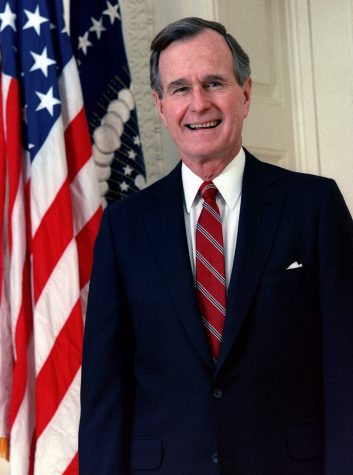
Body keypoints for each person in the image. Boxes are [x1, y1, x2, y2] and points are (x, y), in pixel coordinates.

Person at [78, 17, 353, 475]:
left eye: (213, 82)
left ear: (245, 95)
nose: (198, 103)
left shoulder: (315, 206)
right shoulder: (124, 227)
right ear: (160, 106)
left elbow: (347, 370)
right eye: (180, 88)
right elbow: (106, 393)